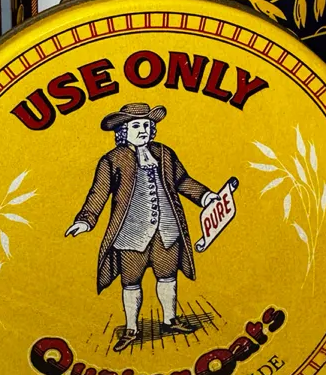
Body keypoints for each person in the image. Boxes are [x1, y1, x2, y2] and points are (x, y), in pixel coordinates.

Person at [65, 103, 227, 353]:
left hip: (167, 231)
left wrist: (205, 197)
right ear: (123, 131)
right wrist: (85, 220)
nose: (142, 130)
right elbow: (99, 193)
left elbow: (182, 180)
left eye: (146, 125)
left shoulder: (164, 153)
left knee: (168, 277)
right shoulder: (112, 160)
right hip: (131, 234)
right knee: (131, 282)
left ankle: (170, 320)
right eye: (135, 126)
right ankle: (131, 328)